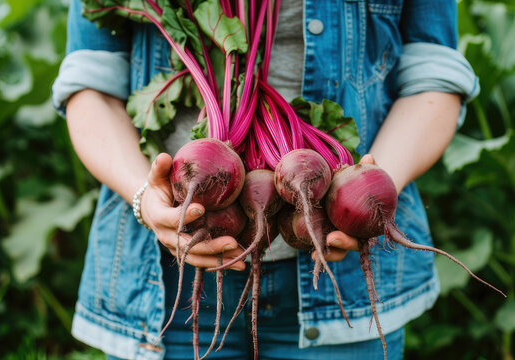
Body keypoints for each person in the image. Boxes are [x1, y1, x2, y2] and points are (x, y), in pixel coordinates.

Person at [52, 0, 479, 359]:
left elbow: (434, 73)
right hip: (163, 281)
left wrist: (366, 189)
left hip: (344, 291)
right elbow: (90, 85)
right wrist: (145, 197)